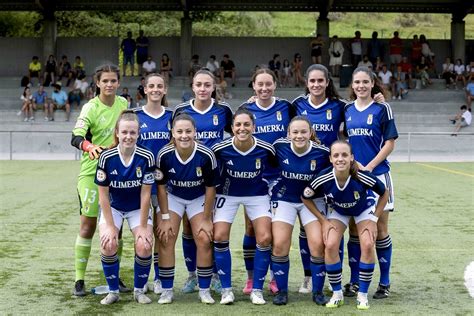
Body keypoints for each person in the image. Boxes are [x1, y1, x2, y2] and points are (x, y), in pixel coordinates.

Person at [302, 140, 389, 310]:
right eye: (336, 155)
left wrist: (374, 220)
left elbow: (385, 193)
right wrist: (323, 221)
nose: (340, 159)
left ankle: (362, 295)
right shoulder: (324, 177)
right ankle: (337, 293)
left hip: (363, 209)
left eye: (344, 155)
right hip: (339, 210)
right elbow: (305, 197)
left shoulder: (362, 175)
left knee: (368, 242)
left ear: (352, 158)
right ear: (330, 159)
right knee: (331, 244)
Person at [70, 64, 128, 297]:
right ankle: (79, 280)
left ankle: (113, 278)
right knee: (88, 226)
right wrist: (90, 146)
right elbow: (76, 137)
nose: (110, 84)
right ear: (97, 83)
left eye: (113, 80)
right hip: (91, 174)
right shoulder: (90, 108)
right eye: (105, 81)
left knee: (118, 229)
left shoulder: (123, 104)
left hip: (118, 174)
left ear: (118, 83)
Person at [173, 69, 232, 294]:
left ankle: (214, 274)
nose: (203, 89)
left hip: (213, 178)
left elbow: (237, 130)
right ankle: (191, 275)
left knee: (211, 226)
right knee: (188, 227)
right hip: (185, 177)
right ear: (193, 86)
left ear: (214, 86)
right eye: (199, 85)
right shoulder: (181, 110)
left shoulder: (223, 110)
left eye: (207, 85)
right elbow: (175, 137)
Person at [344, 66, 398, 301]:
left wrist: (371, 166)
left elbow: (389, 143)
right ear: (352, 85)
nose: (361, 86)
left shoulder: (382, 108)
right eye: (357, 82)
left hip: (378, 175)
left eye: (365, 82)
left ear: (373, 83)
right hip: (354, 178)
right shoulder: (346, 109)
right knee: (355, 230)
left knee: (380, 229)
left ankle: (384, 283)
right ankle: (355, 281)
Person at [239, 68, 295, 295]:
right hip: (254, 177)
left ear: (275, 85)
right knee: (252, 228)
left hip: (281, 177)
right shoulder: (246, 109)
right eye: (259, 84)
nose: (264, 88)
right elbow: (236, 132)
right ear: (253, 86)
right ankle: (252, 278)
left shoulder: (286, 107)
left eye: (268, 84)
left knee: (276, 229)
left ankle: (274, 277)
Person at [212, 108, 277, 305]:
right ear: (232, 128)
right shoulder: (220, 149)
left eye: (246, 124)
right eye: (238, 125)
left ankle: (257, 289)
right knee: (219, 235)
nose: (242, 128)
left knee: (265, 237)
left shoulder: (266, 149)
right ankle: (226, 290)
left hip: (257, 195)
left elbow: (276, 170)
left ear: (254, 127)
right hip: (228, 194)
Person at [155, 114, 218, 304]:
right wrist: (165, 216)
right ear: (173, 133)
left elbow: (210, 188)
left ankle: (204, 289)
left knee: (204, 237)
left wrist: (207, 218)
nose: (184, 135)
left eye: (188, 131)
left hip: (198, 197)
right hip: (173, 197)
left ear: (195, 132)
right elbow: (161, 187)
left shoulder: (206, 155)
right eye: (179, 131)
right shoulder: (164, 154)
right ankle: (167, 289)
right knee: (166, 236)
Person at [95, 110, 155, 305]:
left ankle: (139, 291)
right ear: (117, 133)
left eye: (133, 132)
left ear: (138, 134)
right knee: (109, 243)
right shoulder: (106, 157)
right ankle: (113, 291)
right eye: (125, 132)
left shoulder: (146, 157)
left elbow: (146, 193)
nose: (128, 136)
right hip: (113, 207)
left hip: (138, 208)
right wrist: (112, 227)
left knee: (144, 245)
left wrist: (145, 226)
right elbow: (103, 195)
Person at [270, 116, 332, 306]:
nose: (299, 135)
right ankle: (281, 291)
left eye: (303, 132)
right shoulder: (279, 147)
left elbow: (334, 172)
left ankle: (317, 291)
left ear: (311, 133)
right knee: (280, 244)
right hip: (285, 198)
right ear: (288, 134)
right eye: (295, 132)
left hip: (312, 202)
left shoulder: (322, 153)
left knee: (317, 245)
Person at [134, 73, 173, 295]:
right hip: (140, 184)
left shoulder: (172, 115)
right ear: (145, 89)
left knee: (160, 231)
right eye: (151, 86)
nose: (156, 89)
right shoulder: (136, 115)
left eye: (160, 86)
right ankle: (141, 278)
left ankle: (159, 277)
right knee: (140, 231)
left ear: (165, 90)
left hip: (165, 183)